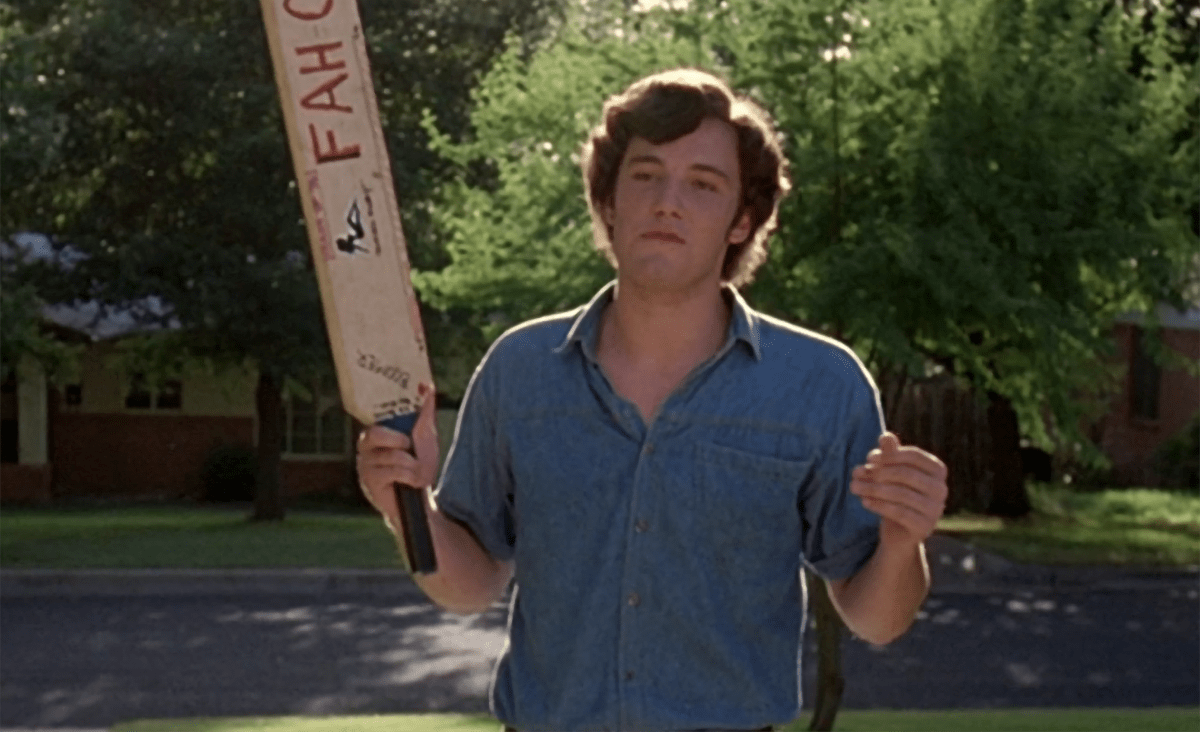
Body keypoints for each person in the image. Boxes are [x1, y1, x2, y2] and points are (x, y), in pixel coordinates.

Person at [356, 68, 948, 731]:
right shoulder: (519, 372)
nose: (668, 202)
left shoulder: (822, 384)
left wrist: (901, 543)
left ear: (740, 221)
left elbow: (876, 617)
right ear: (608, 200)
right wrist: (404, 504)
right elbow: (471, 585)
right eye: (645, 175)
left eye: (703, 184)